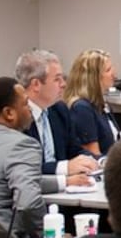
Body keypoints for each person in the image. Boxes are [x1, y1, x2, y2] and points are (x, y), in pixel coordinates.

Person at [0, 77, 90, 238]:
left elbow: (7, 182)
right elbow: (28, 204)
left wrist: (65, 182)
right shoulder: (22, 145)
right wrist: (51, 236)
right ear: (9, 113)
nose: (30, 109)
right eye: (25, 103)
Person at [15, 49, 99, 184]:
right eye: (57, 79)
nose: (63, 84)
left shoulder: (59, 110)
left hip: (67, 190)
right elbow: (24, 169)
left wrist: (99, 161)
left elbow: (74, 150)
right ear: (36, 84)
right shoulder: (17, 117)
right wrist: (65, 167)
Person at [63, 48, 120, 157]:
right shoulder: (81, 108)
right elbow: (93, 154)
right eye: (108, 70)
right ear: (93, 78)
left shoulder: (99, 104)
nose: (114, 73)